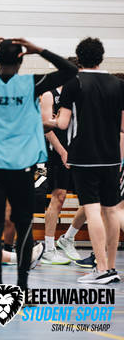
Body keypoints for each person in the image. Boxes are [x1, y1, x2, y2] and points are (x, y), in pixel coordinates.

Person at [0, 37, 78, 290]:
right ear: (21, 59)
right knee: (24, 226)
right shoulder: (31, 83)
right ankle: (22, 287)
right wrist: (38, 50)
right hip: (21, 167)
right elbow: (70, 70)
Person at [52, 37, 123, 284]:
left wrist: (43, 120)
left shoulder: (74, 83)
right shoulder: (118, 83)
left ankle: (101, 269)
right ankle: (111, 268)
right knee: (111, 211)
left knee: (92, 210)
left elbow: (62, 123)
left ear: (79, 58)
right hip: (112, 157)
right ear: (101, 57)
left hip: (84, 157)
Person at [39, 58, 78, 265]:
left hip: (80, 151)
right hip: (57, 151)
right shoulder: (49, 94)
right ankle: (48, 247)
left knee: (91, 200)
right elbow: (46, 127)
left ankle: (68, 237)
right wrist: (63, 152)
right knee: (59, 197)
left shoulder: (79, 94)